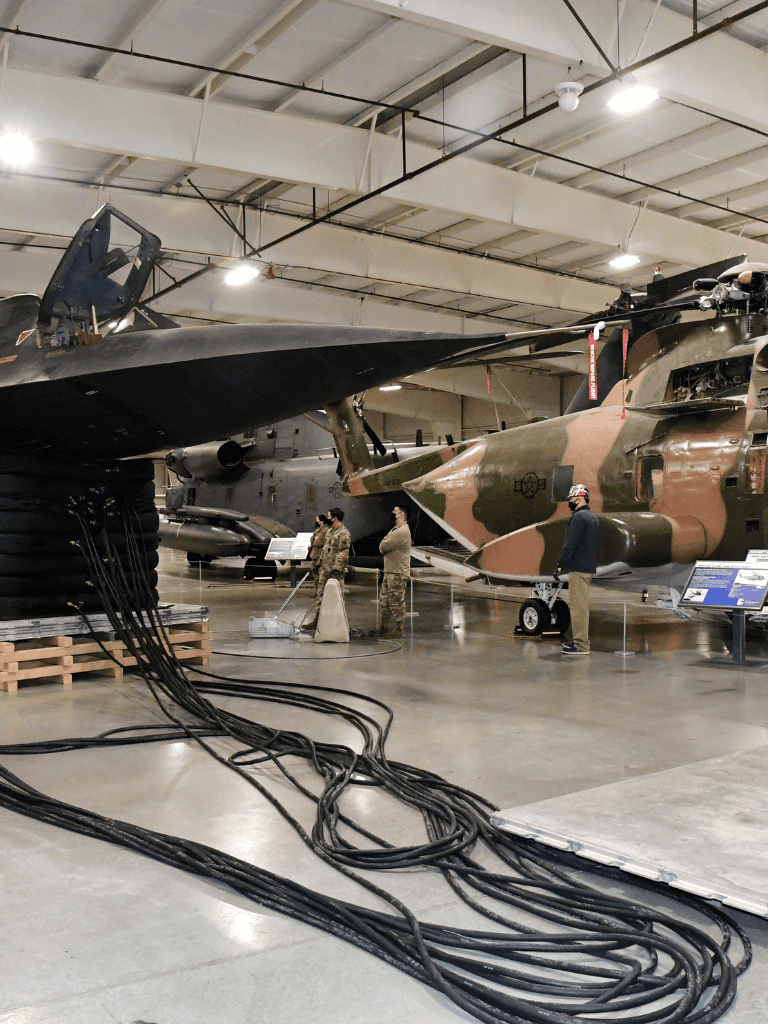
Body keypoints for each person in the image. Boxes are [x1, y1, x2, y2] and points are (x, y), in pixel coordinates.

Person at [555, 484, 600, 655]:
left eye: (572, 500)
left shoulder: (579, 518)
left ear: (579, 499)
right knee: (580, 606)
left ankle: (581, 645)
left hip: (578, 568)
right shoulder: (592, 517)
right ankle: (579, 641)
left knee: (578, 607)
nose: (570, 503)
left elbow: (570, 545)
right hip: (588, 567)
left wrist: (560, 564)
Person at [301, 507, 351, 631]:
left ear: (335, 518)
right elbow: (324, 549)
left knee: (337, 596)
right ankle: (317, 620)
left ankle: (339, 623)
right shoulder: (330, 532)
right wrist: (319, 563)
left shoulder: (344, 533)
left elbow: (343, 552)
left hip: (336, 571)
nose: (328, 518)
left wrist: (336, 569)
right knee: (321, 594)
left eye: (330, 516)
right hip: (325, 568)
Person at [372, 505, 412, 639]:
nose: (392, 513)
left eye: (395, 512)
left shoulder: (402, 531)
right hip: (390, 572)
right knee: (385, 601)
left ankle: (399, 629)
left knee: (396, 602)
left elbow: (383, 545)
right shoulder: (395, 530)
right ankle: (384, 627)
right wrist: (384, 544)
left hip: (397, 573)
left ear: (401, 514)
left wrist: (383, 544)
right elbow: (383, 544)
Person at [308, 514, 329, 598]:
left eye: (317, 520)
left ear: (321, 521)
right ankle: (317, 592)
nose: (316, 521)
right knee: (315, 575)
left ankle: (321, 593)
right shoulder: (318, 530)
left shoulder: (325, 530)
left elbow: (318, 542)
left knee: (320, 576)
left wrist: (315, 538)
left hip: (320, 556)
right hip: (314, 555)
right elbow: (312, 539)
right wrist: (315, 538)